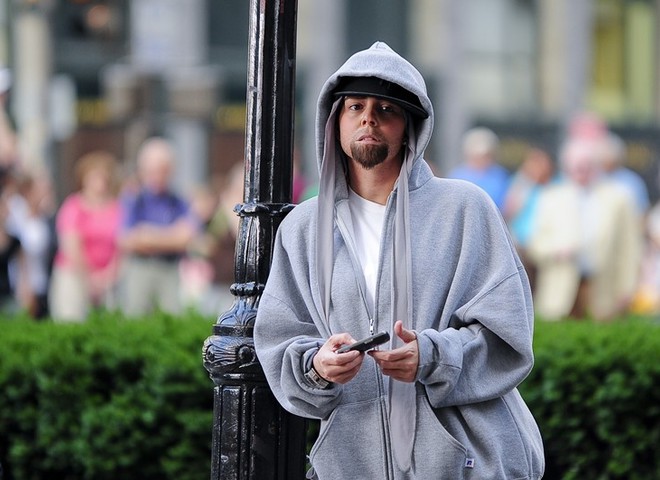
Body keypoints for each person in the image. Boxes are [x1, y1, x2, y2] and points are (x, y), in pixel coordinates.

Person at [253, 42, 544, 479]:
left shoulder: (465, 209)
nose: (368, 118)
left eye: (386, 109)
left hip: (465, 465)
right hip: (352, 466)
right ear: (334, 122)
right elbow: (279, 340)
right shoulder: (302, 228)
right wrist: (316, 366)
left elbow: (509, 338)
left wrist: (432, 356)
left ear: (410, 126)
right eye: (355, 107)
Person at [527, 136, 643, 321]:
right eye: (576, 166)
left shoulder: (618, 198)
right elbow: (535, 244)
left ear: (596, 165)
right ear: (567, 167)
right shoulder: (551, 197)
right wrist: (556, 250)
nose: (582, 171)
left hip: (603, 290)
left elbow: (630, 248)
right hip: (560, 291)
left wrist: (627, 288)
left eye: (587, 165)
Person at [117, 137, 197, 316]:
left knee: (172, 318)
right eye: (153, 171)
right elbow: (126, 239)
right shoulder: (134, 199)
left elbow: (187, 237)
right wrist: (171, 236)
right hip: (140, 267)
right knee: (136, 318)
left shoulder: (178, 200)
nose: (158, 176)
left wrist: (147, 234)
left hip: (169, 268)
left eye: (163, 170)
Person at [48, 150, 122, 322]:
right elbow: (71, 246)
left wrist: (108, 274)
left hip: (107, 280)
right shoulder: (73, 206)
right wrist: (90, 276)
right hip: (75, 275)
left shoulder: (116, 208)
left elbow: (121, 244)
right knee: (71, 320)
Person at [447, 126, 510, 211]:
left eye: (486, 156)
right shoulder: (457, 175)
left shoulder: (500, 176)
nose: (482, 160)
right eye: (477, 156)